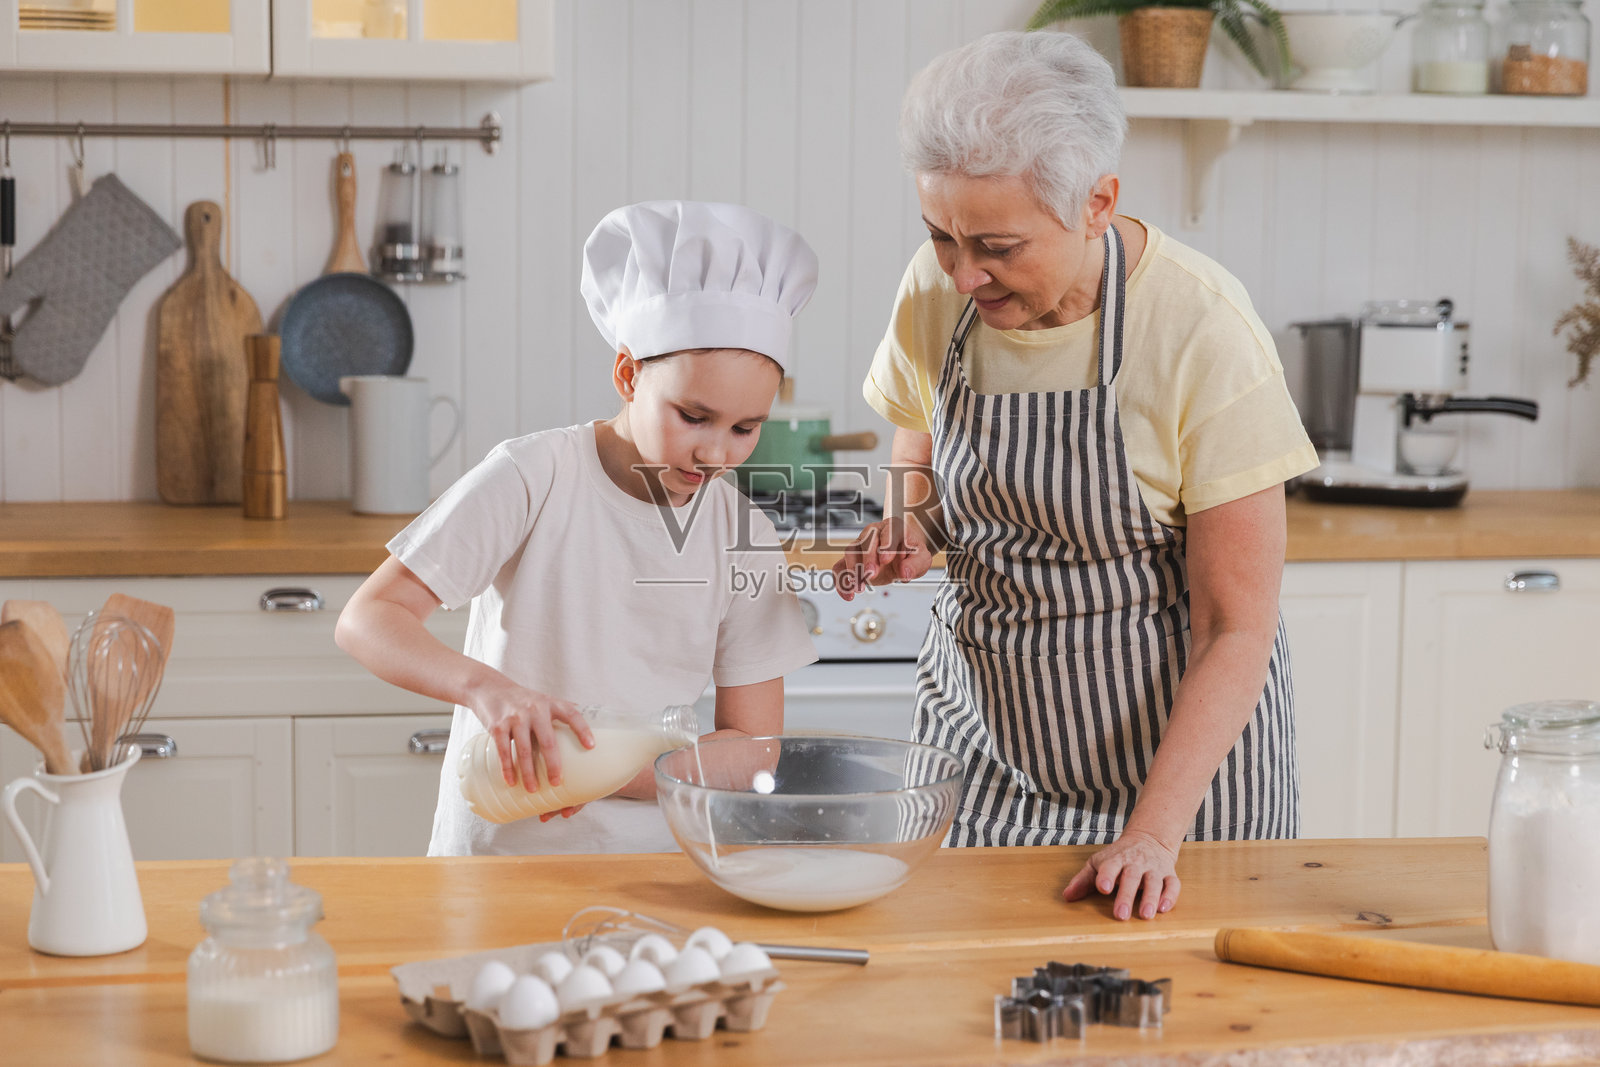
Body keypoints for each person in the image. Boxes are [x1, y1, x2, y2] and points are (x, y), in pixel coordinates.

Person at [833, 31, 1318, 920]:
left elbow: (1233, 626)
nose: (964, 271)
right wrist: (912, 521)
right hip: (985, 753)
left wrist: (1152, 831)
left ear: (1097, 203)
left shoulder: (1201, 331)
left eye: (998, 245)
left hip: (1179, 789)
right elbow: (918, 454)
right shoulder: (936, 292)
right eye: (940, 235)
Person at [337, 201, 820, 856]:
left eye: (744, 428)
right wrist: (487, 689)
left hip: (655, 872)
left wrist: (605, 773)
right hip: (501, 860)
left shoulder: (742, 534)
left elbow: (753, 750)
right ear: (627, 374)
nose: (716, 453)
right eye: (693, 415)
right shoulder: (535, 476)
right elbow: (369, 617)